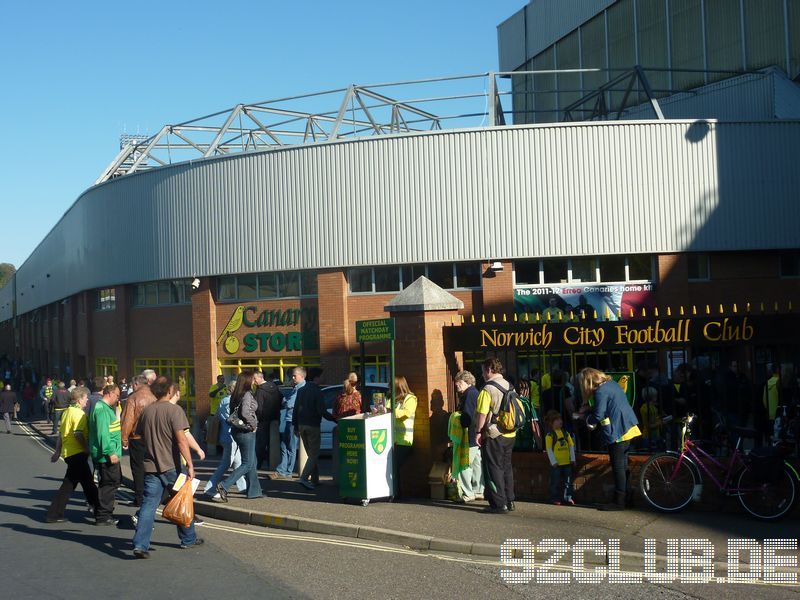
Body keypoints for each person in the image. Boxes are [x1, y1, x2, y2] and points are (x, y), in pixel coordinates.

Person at [132, 376, 202, 558]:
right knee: (183, 500)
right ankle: (188, 539)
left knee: (148, 506)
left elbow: (138, 434)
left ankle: (140, 545)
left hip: (151, 466)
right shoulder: (175, 411)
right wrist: (191, 464)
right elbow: (181, 440)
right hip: (172, 467)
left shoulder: (147, 412)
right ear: (170, 391)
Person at [578, 367, 641, 511]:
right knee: (624, 467)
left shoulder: (600, 391)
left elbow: (599, 415)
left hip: (617, 431)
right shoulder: (611, 384)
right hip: (628, 427)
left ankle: (619, 502)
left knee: (618, 468)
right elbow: (607, 406)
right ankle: (627, 498)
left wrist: (586, 418)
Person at [45, 386, 99, 522]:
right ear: (80, 399)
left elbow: (62, 434)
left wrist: (58, 452)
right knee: (77, 486)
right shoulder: (78, 414)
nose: (87, 401)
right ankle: (101, 514)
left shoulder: (67, 412)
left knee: (84, 485)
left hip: (69, 454)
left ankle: (100, 512)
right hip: (78, 454)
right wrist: (86, 448)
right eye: (86, 398)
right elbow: (78, 433)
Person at [475, 358, 516, 514]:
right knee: (507, 467)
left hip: (494, 433)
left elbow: (482, 414)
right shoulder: (509, 385)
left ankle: (499, 504)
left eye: (483, 370)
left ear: (489, 369)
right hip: (510, 432)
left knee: (494, 468)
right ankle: (510, 500)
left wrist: (478, 432)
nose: (483, 374)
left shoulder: (488, 389)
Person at [215, 371, 262, 501]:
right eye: (252, 379)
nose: (254, 381)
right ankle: (224, 485)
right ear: (247, 381)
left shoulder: (236, 394)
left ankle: (254, 491)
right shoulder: (247, 394)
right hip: (246, 431)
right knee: (247, 463)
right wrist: (253, 425)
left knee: (251, 462)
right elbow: (245, 412)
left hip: (237, 430)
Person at [293, 366, 335, 490]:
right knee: (314, 454)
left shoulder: (301, 390)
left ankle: (315, 479)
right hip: (313, 425)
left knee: (311, 453)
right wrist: (334, 419)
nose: (324, 378)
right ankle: (304, 478)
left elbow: (296, 409)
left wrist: (295, 426)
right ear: (317, 378)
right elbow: (322, 410)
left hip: (301, 425)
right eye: (322, 376)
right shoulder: (317, 392)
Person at [203, 385, 246, 498]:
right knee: (226, 464)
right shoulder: (233, 402)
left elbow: (217, 416)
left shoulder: (223, 401)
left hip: (224, 435)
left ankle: (243, 487)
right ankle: (209, 488)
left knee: (238, 463)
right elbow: (235, 419)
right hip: (231, 437)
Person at [120, 374, 156, 508]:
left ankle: (139, 498)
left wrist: (124, 438)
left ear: (136, 384)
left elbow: (128, 420)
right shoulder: (155, 396)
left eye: (132, 385)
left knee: (138, 469)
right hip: (153, 438)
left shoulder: (133, 398)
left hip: (137, 438)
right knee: (151, 468)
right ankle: (151, 496)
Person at [89, 384, 122, 525]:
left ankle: (103, 511)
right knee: (109, 483)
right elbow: (103, 434)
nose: (118, 399)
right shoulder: (102, 409)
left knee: (111, 482)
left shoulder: (106, 409)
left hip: (109, 453)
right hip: (107, 455)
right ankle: (103, 516)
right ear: (110, 393)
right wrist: (110, 452)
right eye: (117, 395)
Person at [453, 370, 483, 502]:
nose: (456, 385)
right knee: (477, 463)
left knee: (464, 464)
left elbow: (467, 416)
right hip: (476, 434)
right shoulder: (474, 392)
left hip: (469, 435)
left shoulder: (469, 394)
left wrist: (458, 419)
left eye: (458, 382)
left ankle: (468, 492)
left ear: (466, 382)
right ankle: (478, 491)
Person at [332, 377, 362, 483]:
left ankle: (342, 478)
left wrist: (339, 420)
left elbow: (334, 413)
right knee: (354, 454)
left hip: (342, 426)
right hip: (356, 427)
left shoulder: (339, 396)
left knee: (343, 454)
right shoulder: (358, 395)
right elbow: (362, 410)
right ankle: (354, 477)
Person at [392, 376, 417, 497]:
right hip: (392, 440)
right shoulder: (392, 399)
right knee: (392, 467)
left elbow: (406, 413)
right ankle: (394, 492)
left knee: (395, 466)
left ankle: (397, 493)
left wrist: (390, 411)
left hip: (404, 440)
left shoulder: (410, 398)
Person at [544, 410, 576, 506]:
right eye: (557, 420)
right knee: (555, 482)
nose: (560, 421)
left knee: (568, 482)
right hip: (556, 464)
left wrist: (573, 459)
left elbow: (571, 446)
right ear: (551, 423)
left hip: (567, 462)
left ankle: (568, 498)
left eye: (560, 419)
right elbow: (549, 449)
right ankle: (554, 498)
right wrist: (553, 461)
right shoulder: (550, 435)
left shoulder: (566, 433)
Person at [253, 369, 282, 470]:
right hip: (275, 419)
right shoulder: (274, 387)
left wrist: (257, 420)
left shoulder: (260, 390)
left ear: (261, 378)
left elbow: (258, 408)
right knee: (273, 444)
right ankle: (272, 464)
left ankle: (258, 465)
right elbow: (281, 399)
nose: (253, 381)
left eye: (255, 379)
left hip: (263, 421)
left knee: (261, 444)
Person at [639, 386, 662, 451]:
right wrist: (660, 422)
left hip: (656, 435)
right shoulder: (645, 408)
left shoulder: (653, 407)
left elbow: (654, 419)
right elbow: (648, 425)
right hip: (648, 436)